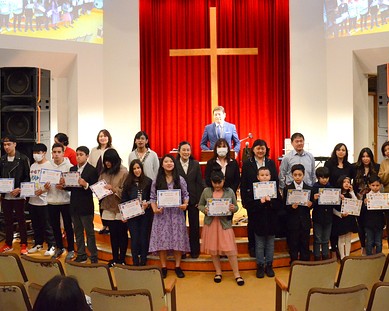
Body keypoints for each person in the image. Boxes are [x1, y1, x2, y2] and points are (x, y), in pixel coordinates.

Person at [198, 169, 244, 286]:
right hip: (211, 224)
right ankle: (218, 272)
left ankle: (237, 274)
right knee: (213, 250)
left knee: (230, 250)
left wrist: (233, 208)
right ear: (211, 182)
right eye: (215, 183)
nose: (217, 185)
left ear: (224, 181)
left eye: (219, 182)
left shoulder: (230, 192)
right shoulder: (206, 191)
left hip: (224, 224)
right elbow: (200, 204)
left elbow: (236, 207)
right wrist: (205, 210)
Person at [149, 154, 190, 279]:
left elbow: (186, 195)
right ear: (162, 164)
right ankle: (164, 266)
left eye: (171, 161)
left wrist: (185, 204)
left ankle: (177, 266)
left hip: (177, 214)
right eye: (166, 161)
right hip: (162, 216)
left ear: (174, 164)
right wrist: (155, 209)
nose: (169, 163)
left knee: (177, 240)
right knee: (162, 241)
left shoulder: (180, 179)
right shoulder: (157, 180)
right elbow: (152, 197)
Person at [240, 139, 278, 257]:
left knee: (268, 222)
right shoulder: (247, 163)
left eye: (263, 148)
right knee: (253, 223)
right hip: (253, 200)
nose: (260, 150)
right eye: (258, 148)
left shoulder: (271, 163)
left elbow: (275, 180)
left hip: (269, 199)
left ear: (266, 149)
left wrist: (274, 198)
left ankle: (266, 250)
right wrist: (245, 201)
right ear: (253, 150)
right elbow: (244, 183)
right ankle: (253, 247)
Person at [244, 166, 280, 278]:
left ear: (270, 176)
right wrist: (260, 202)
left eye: (267, 175)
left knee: (270, 244)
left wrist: (271, 202)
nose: (264, 177)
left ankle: (269, 265)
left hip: (271, 221)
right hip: (258, 222)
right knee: (259, 245)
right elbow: (249, 206)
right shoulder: (253, 190)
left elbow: (279, 205)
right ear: (258, 177)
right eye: (262, 175)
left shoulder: (274, 189)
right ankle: (260, 265)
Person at [65, 146, 99, 263]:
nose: (78, 157)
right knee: (77, 231)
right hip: (74, 205)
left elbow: (95, 189)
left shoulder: (92, 170)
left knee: (89, 232)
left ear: (87, 156)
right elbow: (70, 187)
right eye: (77, 154)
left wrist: (85, 184)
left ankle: (93, 256)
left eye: (81, 154)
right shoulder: (72, 168)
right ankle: (81, 254)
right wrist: (63, 184)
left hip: (86, 205)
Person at [0, 135, 30, 254]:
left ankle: (24, 243)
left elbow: (27, 177)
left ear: (15, 144)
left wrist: (20, 189)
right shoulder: (2, 159)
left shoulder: (23, 158)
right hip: (6, 194)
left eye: (9, 144)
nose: (6, 147)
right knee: (7, 220)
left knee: (21, 219)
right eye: (4, 144)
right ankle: (8, 243)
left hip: (19, 194)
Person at [45, 143, 75, 260]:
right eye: (54, 152)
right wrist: (46, 186)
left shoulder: (69, 166)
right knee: (55, 226)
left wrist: (64, 186)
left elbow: (72, 184)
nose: (56, 155)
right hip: (51, 200)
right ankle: (59, 247)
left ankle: (71, 249)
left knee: (68, 226)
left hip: (66, 201)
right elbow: (44, 182)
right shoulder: (48, 166)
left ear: (63, 153)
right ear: (52, 153)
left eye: (59, 152)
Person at [99, 149, 129, 266]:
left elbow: (126, 191)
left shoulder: (124, 172)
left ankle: (122, 259)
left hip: (120, 207)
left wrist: (113, 189)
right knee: (113, 234)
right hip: (108, 206)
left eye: (109, 161)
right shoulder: (104, 172)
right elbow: (99, 186)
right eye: (105, 161)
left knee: (122, 233)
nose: (107, 163)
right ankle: (114, 258)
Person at [324, 143, 354, 258]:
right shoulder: (329, 163)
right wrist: (336, 194)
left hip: (345, 197)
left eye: (343, 150)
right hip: (334, 196)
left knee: (344, 229)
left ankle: (344, 255)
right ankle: (334, 250)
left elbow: (351, 181)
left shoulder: (349, 166)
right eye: (339, 149)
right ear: (335, 151)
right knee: (335, 225)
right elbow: (327, 180)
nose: (341, 152)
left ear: (346, 152)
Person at [176, 141, 204, 258]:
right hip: (178, 201)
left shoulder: (196, 164)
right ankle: (181, 251)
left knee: (194, 226)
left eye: (188, 150)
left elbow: (199, 183)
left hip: (193, 200)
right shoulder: (174, 164)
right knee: (180, 226)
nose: (186, 152)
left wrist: (199, 200)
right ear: (179, 151)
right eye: (184, 150)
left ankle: (194, 251)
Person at [121, 159, 152, 266]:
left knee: (144, 237)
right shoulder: (128, 183)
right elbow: (124, 199)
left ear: (142, 169)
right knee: (134, 238)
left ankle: (143, 260)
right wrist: (123, 214)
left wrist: (147, 203)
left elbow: (152, 198)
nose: (136, 170)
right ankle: (135, 261)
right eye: (134, 169)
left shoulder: (148, 181)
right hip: (132, 215)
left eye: (138, 168)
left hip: (145, 215)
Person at [27, 143, 56, 257]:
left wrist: (42, 190)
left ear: (44, 153)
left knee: (47, 225)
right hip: (32, 200)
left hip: (45, 200)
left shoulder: (49, 165)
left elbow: (51, 184)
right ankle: (38, 243)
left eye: (38, 153)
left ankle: (51, 245)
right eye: (34, 152)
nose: (36, 155)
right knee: (35, 224)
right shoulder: (33, 166)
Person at [284, 164, 313, 262]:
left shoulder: (309, 188)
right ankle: (294, 263)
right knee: (293, 244)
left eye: (299, 174)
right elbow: (284, 206)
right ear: (292, 175)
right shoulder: (288, 188)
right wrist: (291, 207)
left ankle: (305, 263)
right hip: (292, 222)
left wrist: (311, 204)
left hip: (305, 221)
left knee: (305, 243)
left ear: (303, 175)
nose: (297, 177)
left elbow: (312, 204)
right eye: (295, 174)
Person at [353, 147, 380, 255]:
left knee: (372, 224)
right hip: (359, 200)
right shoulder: (355, 168)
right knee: (361, 224)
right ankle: (363, 246)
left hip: (374, 201)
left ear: (371, 157)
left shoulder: (377, 167)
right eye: (363, 156)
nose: (365, 159)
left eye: (367, 156)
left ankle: (372, 246)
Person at [89, 129, 113, 235]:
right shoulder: (94, 150)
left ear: (108, 138)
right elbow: (90, 164)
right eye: (100, 136)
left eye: (104, 136)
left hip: (108, 180)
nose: (102, 138)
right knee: (100, 203)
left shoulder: (112, 149)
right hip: (96, 180)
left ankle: (110, 225)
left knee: (109, 202)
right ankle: (104, 225)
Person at [333, 175, 359, 259]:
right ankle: (342, 257)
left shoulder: (350, 194)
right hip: (340, 219)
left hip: (349, 219)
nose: (347, 184)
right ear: (340, 183)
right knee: (341, 238)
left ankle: (347, 256)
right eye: (344, 182)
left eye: (348, 182)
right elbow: (332, 208)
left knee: (348, 238)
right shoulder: (337, 194)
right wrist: (340, 214)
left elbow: (356, 203)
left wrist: (352, 192)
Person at [312, 166, 333, 261]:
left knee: (326, 239)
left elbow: (334, 203)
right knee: (317, 239)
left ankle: (325, 256)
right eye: (322, 178)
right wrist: (314, 199)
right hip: (318, 217)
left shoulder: (331, 188)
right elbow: (311, 204)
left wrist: (338, 198)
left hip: (328, 217)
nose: (325, 180)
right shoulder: (314, 188)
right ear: (318, 177)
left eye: (326, 177)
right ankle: (316, 256)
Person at [361, 175, 385, 256]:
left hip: (379, 223)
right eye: (373, 185)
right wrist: (364, 204)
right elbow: (362, 211)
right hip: (368, 223)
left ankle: (379, 258)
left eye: (377, 185)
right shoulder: (366, 196)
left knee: (378, 242)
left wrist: (387, 204)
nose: (375, 187)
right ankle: (369, 258)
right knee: (369, 241)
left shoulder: (383, 197)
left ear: (381, 185)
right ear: (369, 185)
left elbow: (385, 211)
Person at [378, 141, 389, 249]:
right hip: (387, 195)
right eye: (385, 150)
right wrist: (388, 171)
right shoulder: (383, 163)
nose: (387, 152)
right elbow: (382, 180)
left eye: (388, 149)